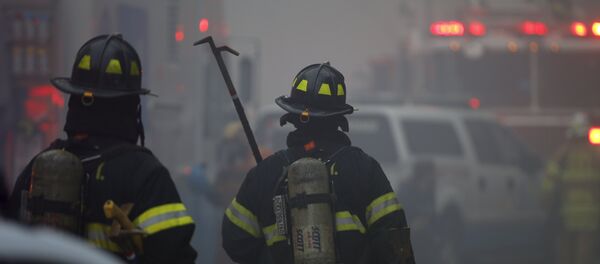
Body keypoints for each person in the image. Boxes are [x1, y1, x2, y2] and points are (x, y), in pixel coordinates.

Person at [6, 34, 197, 263]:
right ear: (131, 106)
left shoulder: (37, 168)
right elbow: (175, 256)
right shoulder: (148, 177)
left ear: (74, 99)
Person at [221, 62, 416, 264]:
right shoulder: (364, 169)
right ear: (339, 117)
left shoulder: (265, 174)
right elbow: (395, 240)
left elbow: (235, 240)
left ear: (292, 116)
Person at [541, 112, 600, 264]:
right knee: (585, 256)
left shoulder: (563, 154)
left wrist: (545, 206)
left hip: (566, 216)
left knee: (565, 255)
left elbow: (548, 183)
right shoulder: (596, 154)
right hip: (590, 217)